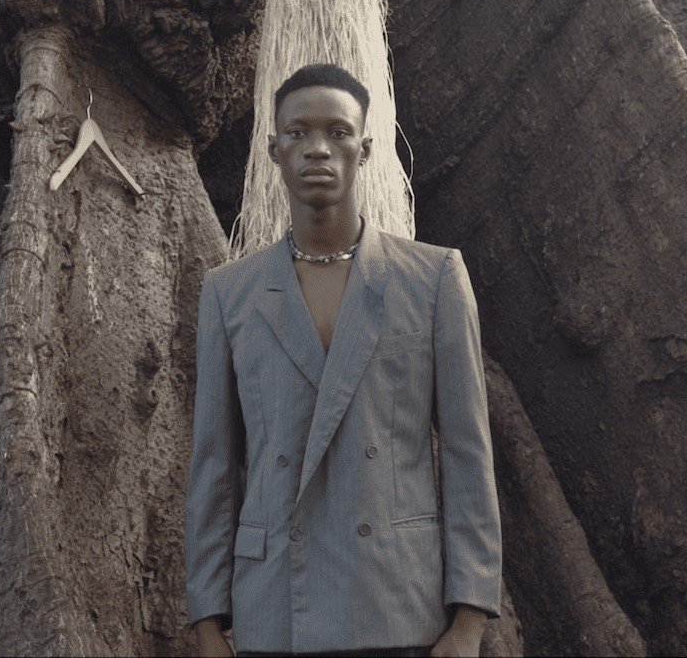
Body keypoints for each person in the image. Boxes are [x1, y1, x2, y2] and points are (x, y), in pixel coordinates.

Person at [185, 64, 501, 657]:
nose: (318, 150)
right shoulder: (230, 293)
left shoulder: (432, 278)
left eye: (337, 132)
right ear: (273, 149)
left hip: (399, 606)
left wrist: (470, 619)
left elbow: (466, 454)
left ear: (366, 148)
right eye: (298, 134)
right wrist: (207, 617)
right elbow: (214, 466)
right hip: (274, 608)